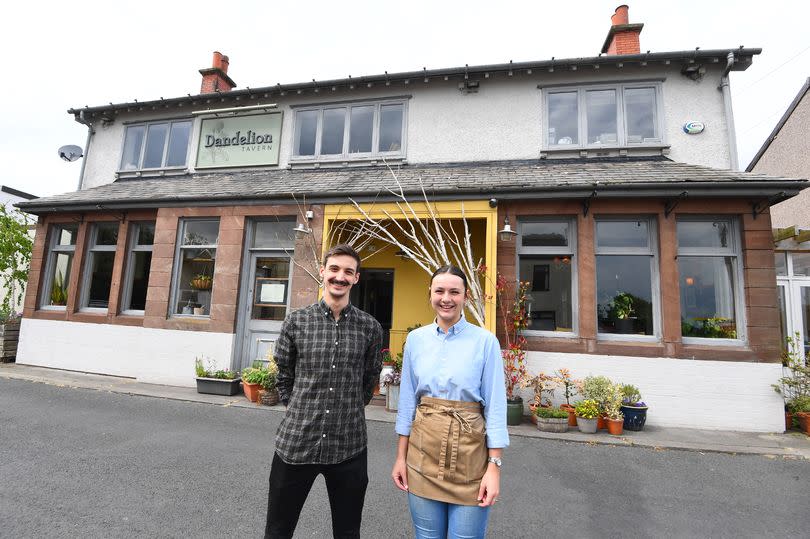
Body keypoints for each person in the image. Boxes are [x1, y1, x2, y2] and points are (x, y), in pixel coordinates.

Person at [264, 244, 383, 539]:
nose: (339, 277)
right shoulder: (296, 321)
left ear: (356, 278)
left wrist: (348, 406)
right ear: (322, 272)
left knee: (347, 532)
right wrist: (302, 408)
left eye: (347, 272)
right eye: (334, 269)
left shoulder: (370, 328)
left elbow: (369, 379)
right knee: (278, 530)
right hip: (297, 444)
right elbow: (284, 374)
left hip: (349, 445)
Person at [391, 265, 508, 539]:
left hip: (471, 460)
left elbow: (496, 408)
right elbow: (408, 403)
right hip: (422, 457)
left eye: (454, 292)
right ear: (429, 294)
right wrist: (400, 458)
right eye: (440, 290)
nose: (447, 298)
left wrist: (494, 467)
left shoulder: (485, 342)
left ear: (465, 296)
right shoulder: (415, 340)